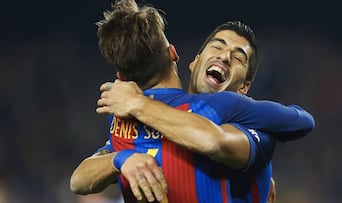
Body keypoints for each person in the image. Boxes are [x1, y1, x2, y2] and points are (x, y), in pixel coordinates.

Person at [70, 0, 314, 202]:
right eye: (217, 47)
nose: (225, 56)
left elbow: (301, 121)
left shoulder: (243, 120)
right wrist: (120, 160)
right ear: (188, 59)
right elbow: (79, 180)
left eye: (238, 58)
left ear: (244, 88)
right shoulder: (130, 122)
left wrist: (138, 104)